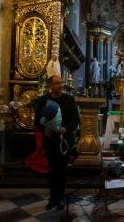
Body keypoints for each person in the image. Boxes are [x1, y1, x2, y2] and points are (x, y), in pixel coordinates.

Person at [34, 75, 80, 210]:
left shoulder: (69, 100)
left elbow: (75, 120)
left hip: (64, 140)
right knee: (53, 170)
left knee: (62, 170)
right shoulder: (43, 100)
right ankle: (52, 197)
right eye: (57, 83)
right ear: (51, 86)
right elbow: (37, 121)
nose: (61, 85)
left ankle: (60, 197)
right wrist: (44, 130)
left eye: (61, 82)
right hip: (50, 140)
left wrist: (65, 129)